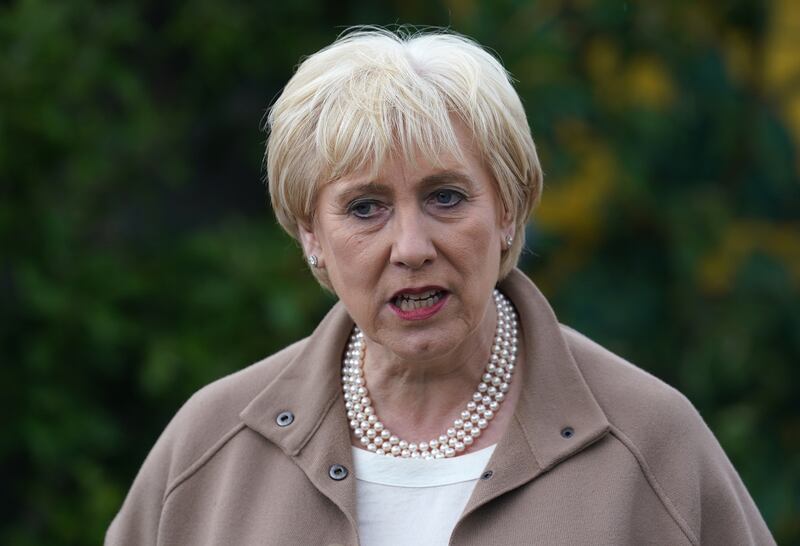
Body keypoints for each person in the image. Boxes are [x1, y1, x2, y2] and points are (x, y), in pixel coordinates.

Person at [106, 28, 775, 545]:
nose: (412, 248)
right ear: (311, 233)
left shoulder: (650, 442)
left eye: (446, 197)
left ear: (509, 207)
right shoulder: (212, 448)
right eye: (365, 208)